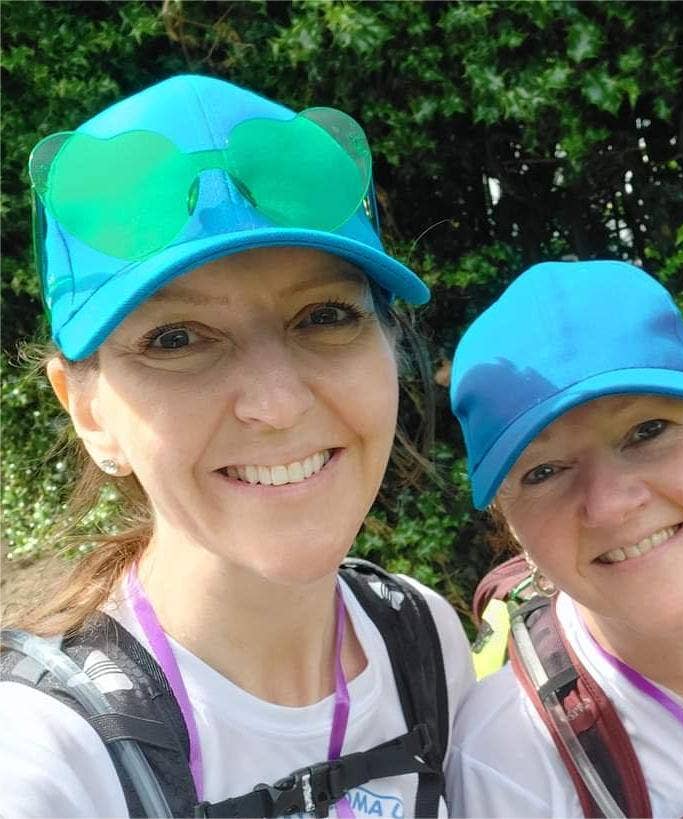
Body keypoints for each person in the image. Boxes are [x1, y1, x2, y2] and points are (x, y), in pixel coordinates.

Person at [0, 74, 474, 818]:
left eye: (323, 316)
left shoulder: (422, 638)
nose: (278, 404)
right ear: (88, 410)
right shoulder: (47, 759)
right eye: (176, 339)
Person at [446, 260, 683, 817]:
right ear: (509, 520)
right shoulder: (508, 761)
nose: (609, 505)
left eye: (647, 431)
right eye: (543, 472)